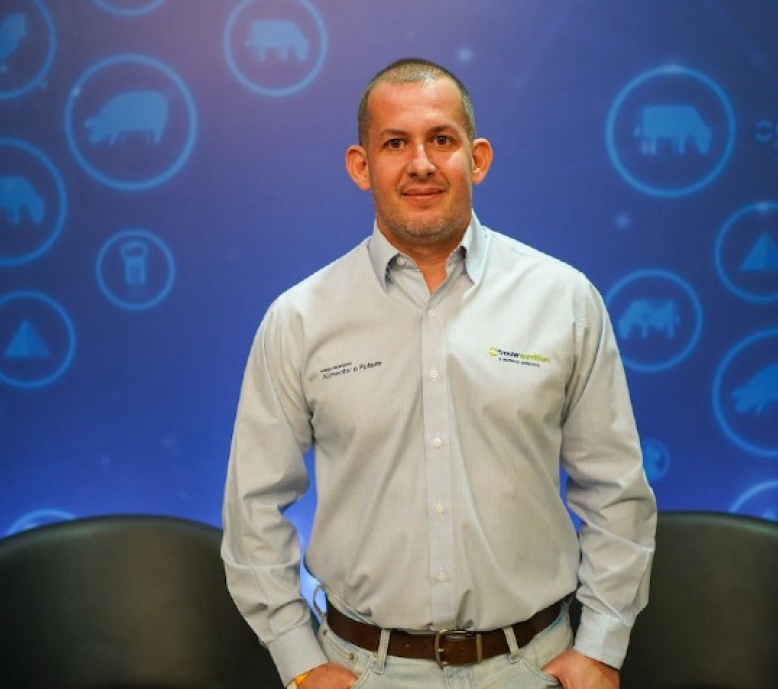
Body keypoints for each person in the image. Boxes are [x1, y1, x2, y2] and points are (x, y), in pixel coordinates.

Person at [222, 57, 657, 689]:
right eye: (395, 143)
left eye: (442, 140)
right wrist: (300, 662)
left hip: (532, 668)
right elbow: (253, 508)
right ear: (361, 166)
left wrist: (601, 647)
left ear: (477, 159)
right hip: (361, 673)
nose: (421, 163)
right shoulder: (299, 319)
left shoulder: (564, 300)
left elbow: (615, 490)